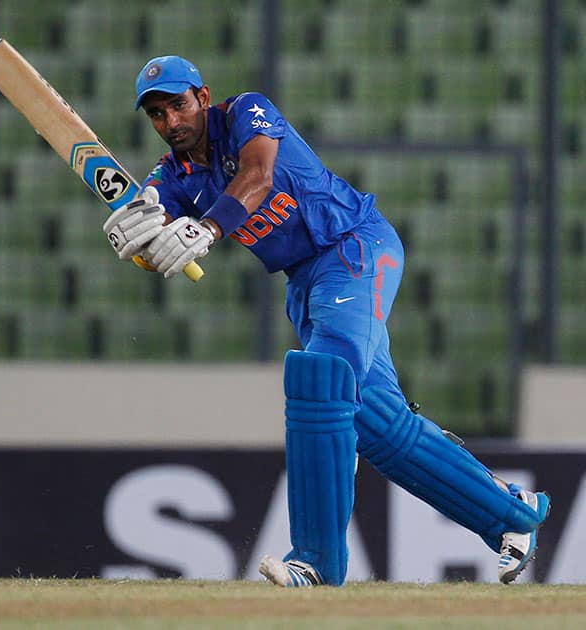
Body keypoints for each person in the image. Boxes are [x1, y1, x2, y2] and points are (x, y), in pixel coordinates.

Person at [102, 55, 550, 586]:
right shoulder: (173, 175)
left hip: (354, 248)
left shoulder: (247, 111)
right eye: (156, 113)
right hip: (305, 282)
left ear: (202, 97)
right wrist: (142, 237)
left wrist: (209, 229)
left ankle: (315, 562)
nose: (170, 121)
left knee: (320, 380)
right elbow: (157, 220)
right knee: (374, 423)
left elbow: (257, 175)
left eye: (177, 105)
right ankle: (512, 515)